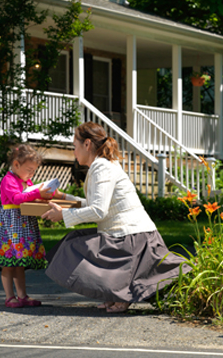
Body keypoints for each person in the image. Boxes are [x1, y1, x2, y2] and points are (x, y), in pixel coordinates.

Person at [41, 122, 190, 313]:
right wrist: (62, 198)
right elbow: (96, 204)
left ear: (87, 144)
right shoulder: (103, 165)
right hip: (128, 233)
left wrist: (62, 214)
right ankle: (115, 295)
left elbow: (98, 211)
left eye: (75, 146)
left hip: (131, 236)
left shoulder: (101, 167)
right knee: (74, 242)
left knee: (74, 246)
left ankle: (121, 296)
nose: (74, 152)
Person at [0, 144, 61, 308]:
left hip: (22, 225)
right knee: (9, 262)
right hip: (10, 227)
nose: (32, 174)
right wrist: (37, 193)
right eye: (29, 169)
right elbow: (17, 198)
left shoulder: (25, 180)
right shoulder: (8, 180)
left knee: (20, 263)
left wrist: (45, 194)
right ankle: (9, 297)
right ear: (16, 164)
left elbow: (30, 196)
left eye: (34, 171)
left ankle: (22, 295)